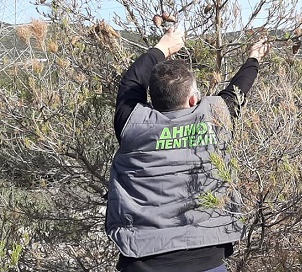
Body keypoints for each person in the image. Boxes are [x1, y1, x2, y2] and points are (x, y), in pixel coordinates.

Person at [105, 26, 270, 272]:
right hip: (209, 253)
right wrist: (254, 57)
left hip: (141, 256)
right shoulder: (216, 116)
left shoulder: (132, 122)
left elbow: (131, 82)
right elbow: (239, 89)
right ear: (193, 100)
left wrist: (164, 46)